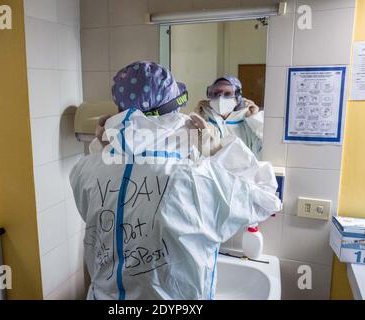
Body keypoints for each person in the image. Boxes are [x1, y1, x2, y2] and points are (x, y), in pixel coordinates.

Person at [70, 61, 281, 300]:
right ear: (174, 112)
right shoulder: (199, 177)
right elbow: (266, 200)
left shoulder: (85, 169)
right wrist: (220, 150)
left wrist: (102, 148)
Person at [196, 76, 264, 159]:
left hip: (243, 170)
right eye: (215, 94)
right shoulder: (205, 120)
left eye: (227, 94)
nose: (220, 98)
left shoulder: (248, 123)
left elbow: (264, 151)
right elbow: (193, 154)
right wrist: (197, 118)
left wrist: (256, 119)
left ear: (238, 96)